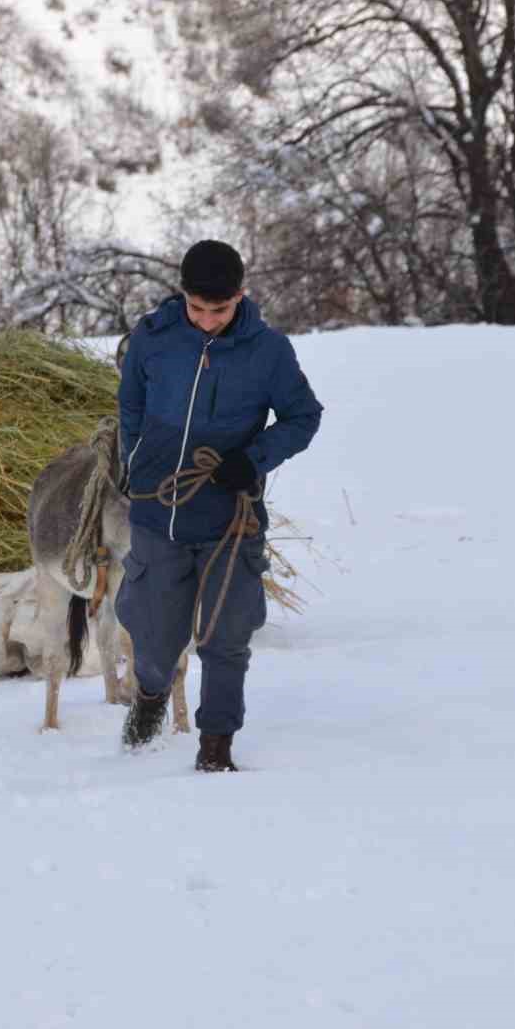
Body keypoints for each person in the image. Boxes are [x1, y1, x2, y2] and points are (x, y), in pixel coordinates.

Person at [115, 240, 323, 771]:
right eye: (198, 308)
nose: (208, 321)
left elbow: (303, 417)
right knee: (155, 641)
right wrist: (135, 465)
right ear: (182, 295)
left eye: (221, 310)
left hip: (231, 517)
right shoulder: (151, 339)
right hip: (158, 513)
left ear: (241, 297)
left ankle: (216, 746)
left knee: (227, 639)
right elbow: (131, 407)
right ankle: (151, 694)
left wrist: (252, 459)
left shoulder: (269, 351)